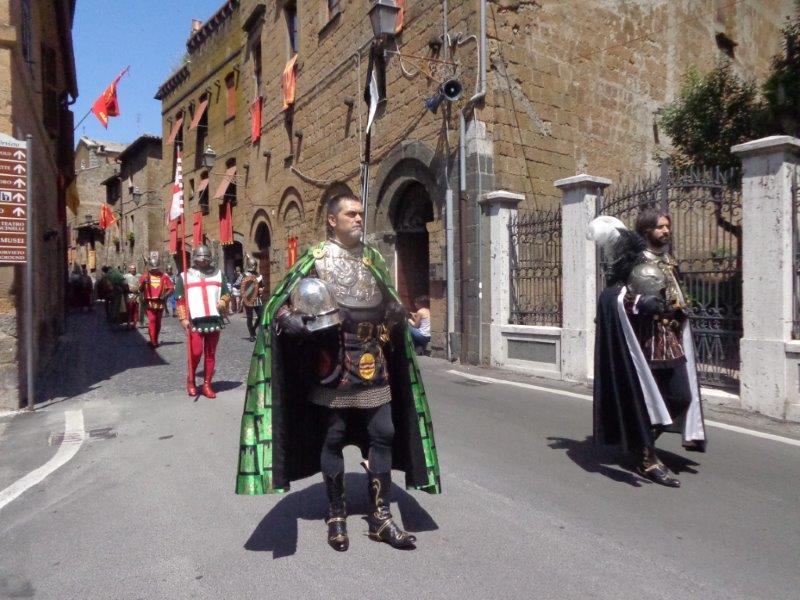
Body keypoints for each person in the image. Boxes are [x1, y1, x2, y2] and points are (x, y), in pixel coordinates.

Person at [235, 194, 441, 552]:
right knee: (333, 437)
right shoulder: (314, 259)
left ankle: (380, 517)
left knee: (384, 433)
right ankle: (336, 514)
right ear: (332, 220)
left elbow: (388, 301)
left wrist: (394, 312)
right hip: (333, 363)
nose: (359, 218)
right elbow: (279, 305)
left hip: (373, 359)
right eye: (351, 214)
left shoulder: (372, 258)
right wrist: (291, 320)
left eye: (361, 213)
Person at [590, 209, 707, 488]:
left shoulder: (667, 260)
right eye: (660, 227)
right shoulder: (633, 260)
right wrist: (640, 303)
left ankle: (640, 440)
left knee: (680, 397)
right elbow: (613, 296)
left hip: (670, 340)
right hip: (644, 343)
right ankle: (647, 459)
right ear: (646, 231)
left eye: (667, 226)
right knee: (647, 402)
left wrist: (680, 308)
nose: (666, 231)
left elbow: (674, 294)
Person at [175, 245, 231, 398]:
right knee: (196, 352)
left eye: (206, 259)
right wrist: (183, 318)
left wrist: (223, 301)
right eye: (200, 259)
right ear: (195, 259)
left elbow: (226, 293)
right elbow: (180, 298)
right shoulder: (184, 276)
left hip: (214, 320)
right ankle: (191, 380)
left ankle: (207, 384)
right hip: (195, 321)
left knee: (210, 354)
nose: (203, 262)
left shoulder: (219, 274)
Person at [138, 253, 174, 349]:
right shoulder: (145, 276)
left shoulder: (164, 276)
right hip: (149, 302)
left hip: (160, 302)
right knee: (152, 321)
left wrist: (164, 295)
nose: (154, 270)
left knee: (158, 323)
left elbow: (171, 288)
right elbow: (140, 289)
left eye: (156, 268)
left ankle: (155, 339)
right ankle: (153, 341)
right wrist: (144, 283)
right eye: (153, 268)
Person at [240, 258, 265, 342]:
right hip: (247, 299)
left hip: (257, 298)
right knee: (250, 318)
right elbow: (238, 285)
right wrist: (243, 294)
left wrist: (261, 289)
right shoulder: (244, 275)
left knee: (261, 315)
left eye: (255, 265)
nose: (254, 266)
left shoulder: (259, 276)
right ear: (249, 265)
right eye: (252, 265)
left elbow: (263, 285)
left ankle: (253, 329)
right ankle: (252, 334)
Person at [123, 264, 140, 331]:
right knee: (129, 311)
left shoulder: (139, 276)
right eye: (132, 268)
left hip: (137, 295)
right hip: (129, 295)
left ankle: (134, 324)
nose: (133, 269)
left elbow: (141, 284)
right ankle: (128, 324)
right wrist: (127, 289)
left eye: (134, 268)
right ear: (129, 269)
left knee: (136, 311)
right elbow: (123, 285)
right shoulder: (126, 276)